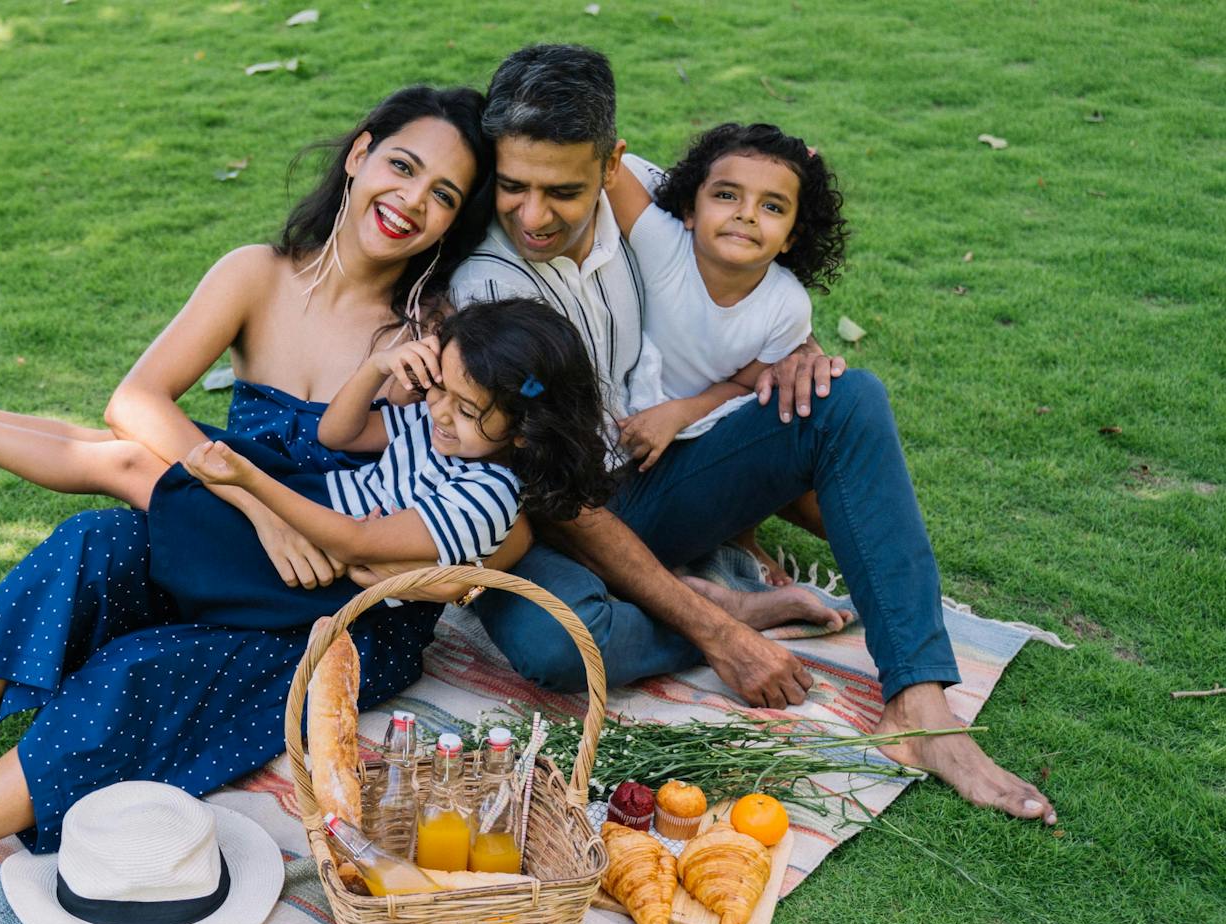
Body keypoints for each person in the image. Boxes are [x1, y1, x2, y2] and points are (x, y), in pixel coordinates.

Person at [0, 85, 521, 924]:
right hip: (237, 530)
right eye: (402, 166)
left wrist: (439, 575)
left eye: (443, 196)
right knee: (92, 540)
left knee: (138, 673)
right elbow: (136, 402)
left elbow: (503, 499)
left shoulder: (432, 337)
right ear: (359, 154)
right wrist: (262, 513)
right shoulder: (258, 275)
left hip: (335, 607)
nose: (411, 202)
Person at [447, 43, 1054, 823]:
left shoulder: (655, 200)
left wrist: (789, 354)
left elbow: (740, 253)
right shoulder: (486, 288)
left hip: (651, 475)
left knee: (845, 396)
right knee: (552, 647)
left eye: (562, 191)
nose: (533, 217)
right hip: (553, 518)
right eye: (513, 187)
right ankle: (728, 604)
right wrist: (714, 631)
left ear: (611, 165)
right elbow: (557, 501)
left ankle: (922, 707)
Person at [0, 297, 612, 629]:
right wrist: (384, 366)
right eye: (441, 390)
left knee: (132, 468)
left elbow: (354, 546)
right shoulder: (441, 428)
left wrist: (249, 484)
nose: (440, 413)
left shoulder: (486, 495)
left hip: (309, 577)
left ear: (524, 430)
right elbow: (338, 430)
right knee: (130, 447)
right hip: (315, 497)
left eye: (466, 406)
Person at [605, 122, 845, 584]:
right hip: (624, 424)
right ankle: (728, 538)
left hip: (707, 423)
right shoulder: (663, 243)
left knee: (816, 481)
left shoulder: (787, 305)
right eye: (727, 195)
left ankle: (742, 533)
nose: (747, 214)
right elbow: (614, 167)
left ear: (793, 235)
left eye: (772, 206)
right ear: (690, 209)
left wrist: (678, 414)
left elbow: (743, 385)